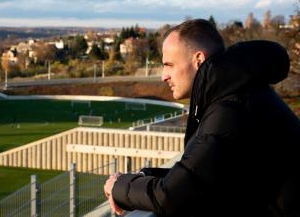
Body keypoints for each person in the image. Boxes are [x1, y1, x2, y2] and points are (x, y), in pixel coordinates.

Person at [104, 19, 300, 216]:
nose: (164, 76)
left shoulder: (230, 109)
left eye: (169, 65)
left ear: (198, 60)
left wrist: (118, 186)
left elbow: (172, 197)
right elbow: (200, 176)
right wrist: (144, 176)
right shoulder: (234, 95)